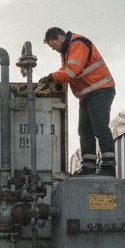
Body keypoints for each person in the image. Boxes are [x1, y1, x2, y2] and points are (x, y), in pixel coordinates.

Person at [38, 27, 116, 176]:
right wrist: (53, 78)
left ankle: (109, 166)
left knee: (100, 127)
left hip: (100, 90)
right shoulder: (67, 51)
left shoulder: (78, 43)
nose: (54, 49)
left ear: (60, 37)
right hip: (88, 94)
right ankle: (88, 166)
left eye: (53, 45)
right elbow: (65, 71)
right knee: (84, 130)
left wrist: (51, 77)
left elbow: (71, 71)